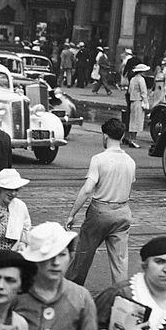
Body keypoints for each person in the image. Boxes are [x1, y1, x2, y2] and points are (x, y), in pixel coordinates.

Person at [65, 118, 135, 286]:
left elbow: (87, 189)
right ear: (122, 135)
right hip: (123, 212)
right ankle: (122, 296)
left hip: (100, 212)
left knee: (83, 256)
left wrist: (72, 214)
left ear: (105, 136)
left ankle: (71, 290)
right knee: (120, 262)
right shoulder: (131, 162)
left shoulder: (99, 159)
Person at [124, 62, 150, 148]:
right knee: (137, 120)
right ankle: (133, 140)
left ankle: (131, 139)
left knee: (132, 120)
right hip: (139, 101)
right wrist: (146, 102)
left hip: (132, 101)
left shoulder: (132, 79)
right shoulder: (141, 80)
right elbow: (143, 92)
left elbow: (129, 91)